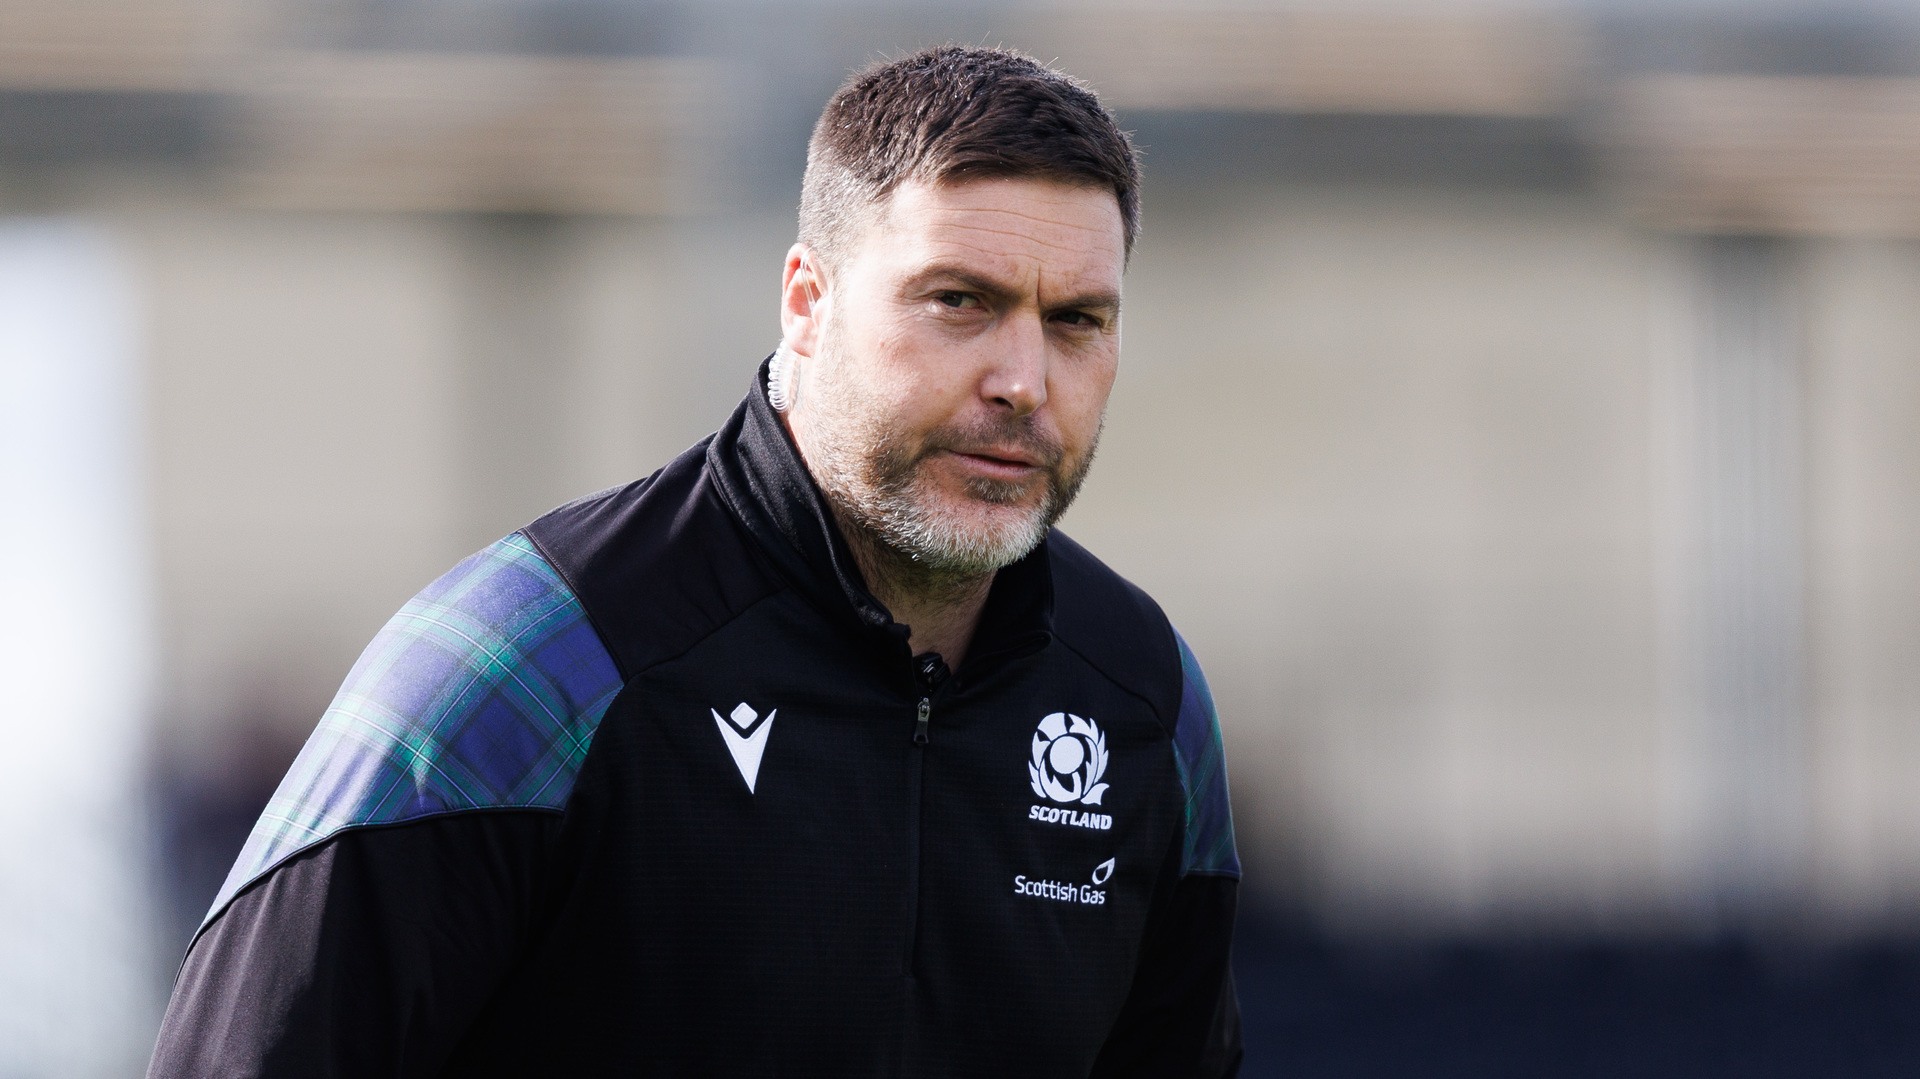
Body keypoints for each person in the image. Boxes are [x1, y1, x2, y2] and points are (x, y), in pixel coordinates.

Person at [149, 45, 1241, 1077]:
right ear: (808, 305)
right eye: (960, 301)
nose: (1024, 379)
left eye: (1077, 321)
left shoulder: (1144, 701)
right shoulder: (533, 662)